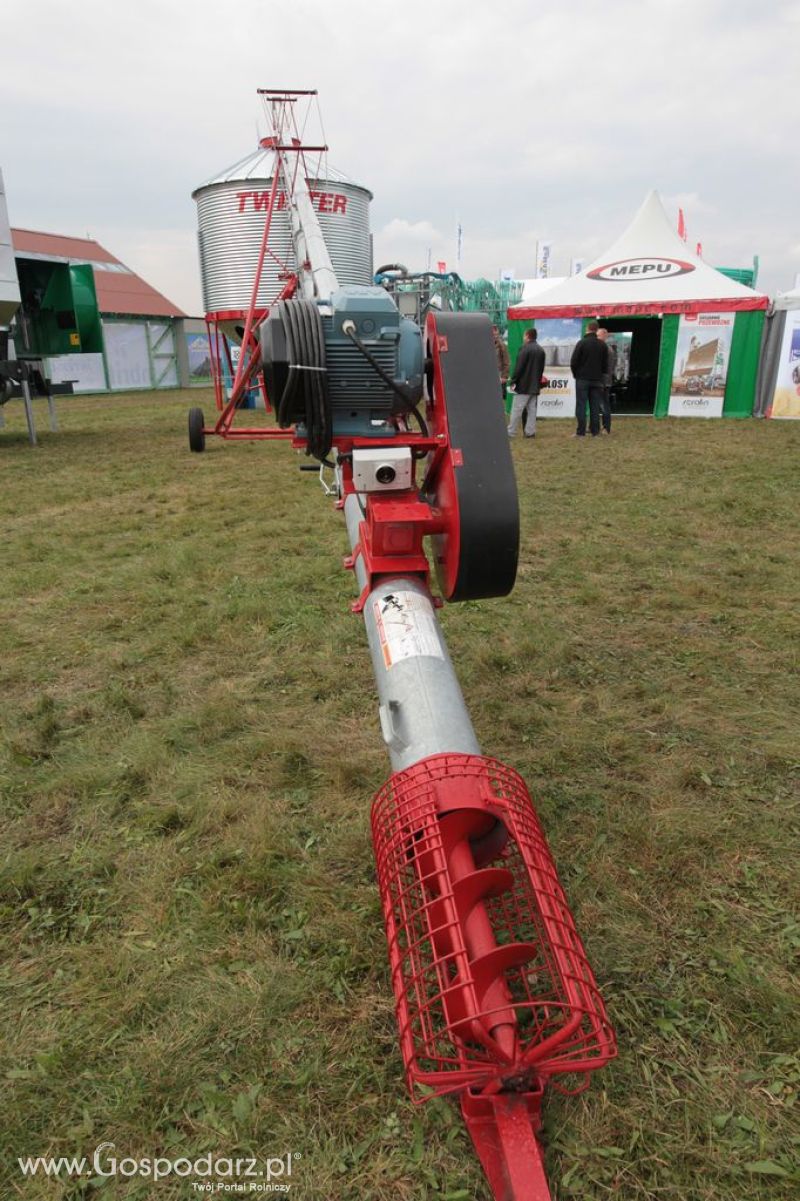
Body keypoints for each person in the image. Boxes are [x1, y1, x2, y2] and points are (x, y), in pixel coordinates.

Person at [570, 319, 609, 437]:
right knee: (595, 406)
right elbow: (605, 365)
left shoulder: (581, 343)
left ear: (587, 328)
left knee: (581, 405)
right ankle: (595, 431)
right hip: (597, 380)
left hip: (582, 379)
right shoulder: (602, 345)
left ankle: (581, 432)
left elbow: (574, 362)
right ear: (596, 330)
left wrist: (576, 374)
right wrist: (600, 376)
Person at [508, 328, 546, 439]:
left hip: (523, 386)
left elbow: (519, 367)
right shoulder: (541, 350)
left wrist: (513, 380)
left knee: (516, 410)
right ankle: (530, 432)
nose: (524, 338)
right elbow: (541, 369)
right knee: (532, 411)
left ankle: (511, 432)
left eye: (524, 336)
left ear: (527, 336)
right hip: (535, 386)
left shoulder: (524, 349)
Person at [597, 327, 617, 435]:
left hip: (603, 382)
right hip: (604, 381)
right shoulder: (608, 349)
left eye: (599, 336)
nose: (597, 338)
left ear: (605, 336)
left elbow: (606, 368)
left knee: (604, 405)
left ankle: (606, 427)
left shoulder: (606, 349)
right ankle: (600, 427)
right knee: (601, 404)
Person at [493, 325, 510, 403]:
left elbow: (507, 362)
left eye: (497, 334)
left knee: (499, 397)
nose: (495, 336)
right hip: (487, 373)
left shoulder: (502, 346)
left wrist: (504, 376)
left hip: (499, 374)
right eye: (493, 334)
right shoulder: (484, 345)